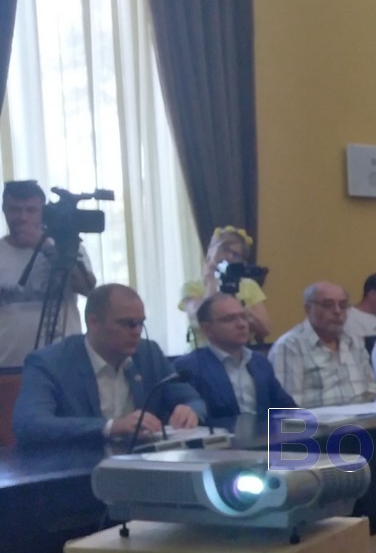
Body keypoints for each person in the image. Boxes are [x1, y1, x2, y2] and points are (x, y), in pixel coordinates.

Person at [13, 283, 204, 447]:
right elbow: (29, 424)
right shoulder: (49, 362)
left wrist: (190, 410)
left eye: (140, 323)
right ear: (94, 322)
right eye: (128, 324)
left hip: (144, 464)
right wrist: (110, 427)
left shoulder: (149, 353)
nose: (137, 331)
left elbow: (193, 399)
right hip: (77, 465)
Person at [1, 179, 96, 368]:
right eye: (15, 210)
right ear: (4, 211)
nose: (23, 217)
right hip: (9, 363)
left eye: (31, 210)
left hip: (65, 363)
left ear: (43, 213)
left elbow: (89, 290)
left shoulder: (67, 246)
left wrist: (46, 248)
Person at [177, 293, 297, 426]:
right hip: (220, 438)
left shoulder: (259, 362)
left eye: (244, 317)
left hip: (264, 437)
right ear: (207, 329)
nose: (242, 324)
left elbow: (286, 408)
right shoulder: (190, 367)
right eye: (229, 319)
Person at [268, 282, 376, 407]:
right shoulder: (290, 346)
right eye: (328, 305)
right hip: (317, 419)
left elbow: (372, 392)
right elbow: (287, 408)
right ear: (308, 309)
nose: (337, 311)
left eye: (343, 306)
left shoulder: (355, 341)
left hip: (364, 417)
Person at [179, 226, 270, 342]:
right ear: (211, 249)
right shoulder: (191, 287)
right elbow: (198, 320)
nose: (230, 257)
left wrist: (241, 309)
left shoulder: (249, 285)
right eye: (225, 250)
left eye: (236, 255)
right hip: (205, 351)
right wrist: (211, 283)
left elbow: (265, 329)